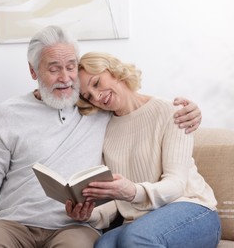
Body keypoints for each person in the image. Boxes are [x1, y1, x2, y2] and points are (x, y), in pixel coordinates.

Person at [0, 26, 202, 248]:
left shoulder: (97, 107)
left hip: (73, 225)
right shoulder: (10, 112)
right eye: (54, 69)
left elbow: (135, 107)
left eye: (70, 67)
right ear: (33, 71)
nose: (65, 78)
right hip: (14, 222)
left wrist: (191, 112)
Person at [70, 52, 220, 248]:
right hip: (139, 221)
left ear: (114, 71)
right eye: (88, 96)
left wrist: (133, 191)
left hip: (193, 211)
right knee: (104, 245)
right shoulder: (104, 129)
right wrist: (88, 214)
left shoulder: (172, 112)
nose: (97, 96)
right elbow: (116, 200)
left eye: (97, 83)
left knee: (136, 237)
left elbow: (176, 184)